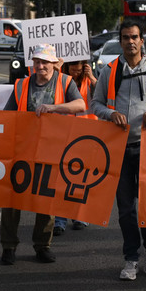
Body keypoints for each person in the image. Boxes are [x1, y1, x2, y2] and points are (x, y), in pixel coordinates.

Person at [91, 21, 146, 280]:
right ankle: (131, 258)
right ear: (121, 41)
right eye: (126, 37)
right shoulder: (109, 70)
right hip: (119, 149)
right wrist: (110, 113)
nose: (131, 41)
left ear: (142, 41)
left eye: (135, 37)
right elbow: (94, 103)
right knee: (126, 209)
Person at [0, 44, 85, 265]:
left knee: (46, 201)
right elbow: (7, 115)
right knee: (12, 201)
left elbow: (80, 105)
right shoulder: (21, 85)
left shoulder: (65, 82)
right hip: (22, 150)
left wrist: (54, 108)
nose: (40, 66)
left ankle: (42, 246)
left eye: (45, 62)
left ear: (53, 64)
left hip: (51, 150)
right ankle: (8, 247)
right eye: (37, 62)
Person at [53, 60, 97, 236]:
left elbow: (105, 94)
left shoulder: (89, 80)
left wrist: (92, 76)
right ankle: (59, 220)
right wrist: (57, 71)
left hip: (86, 136)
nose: (76, 73)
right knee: (61, 179)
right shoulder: (61, 80)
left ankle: (79, 216)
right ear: (67, 68)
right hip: (65, 133)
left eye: (79, 70)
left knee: (81, 178)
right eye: (73, 70)